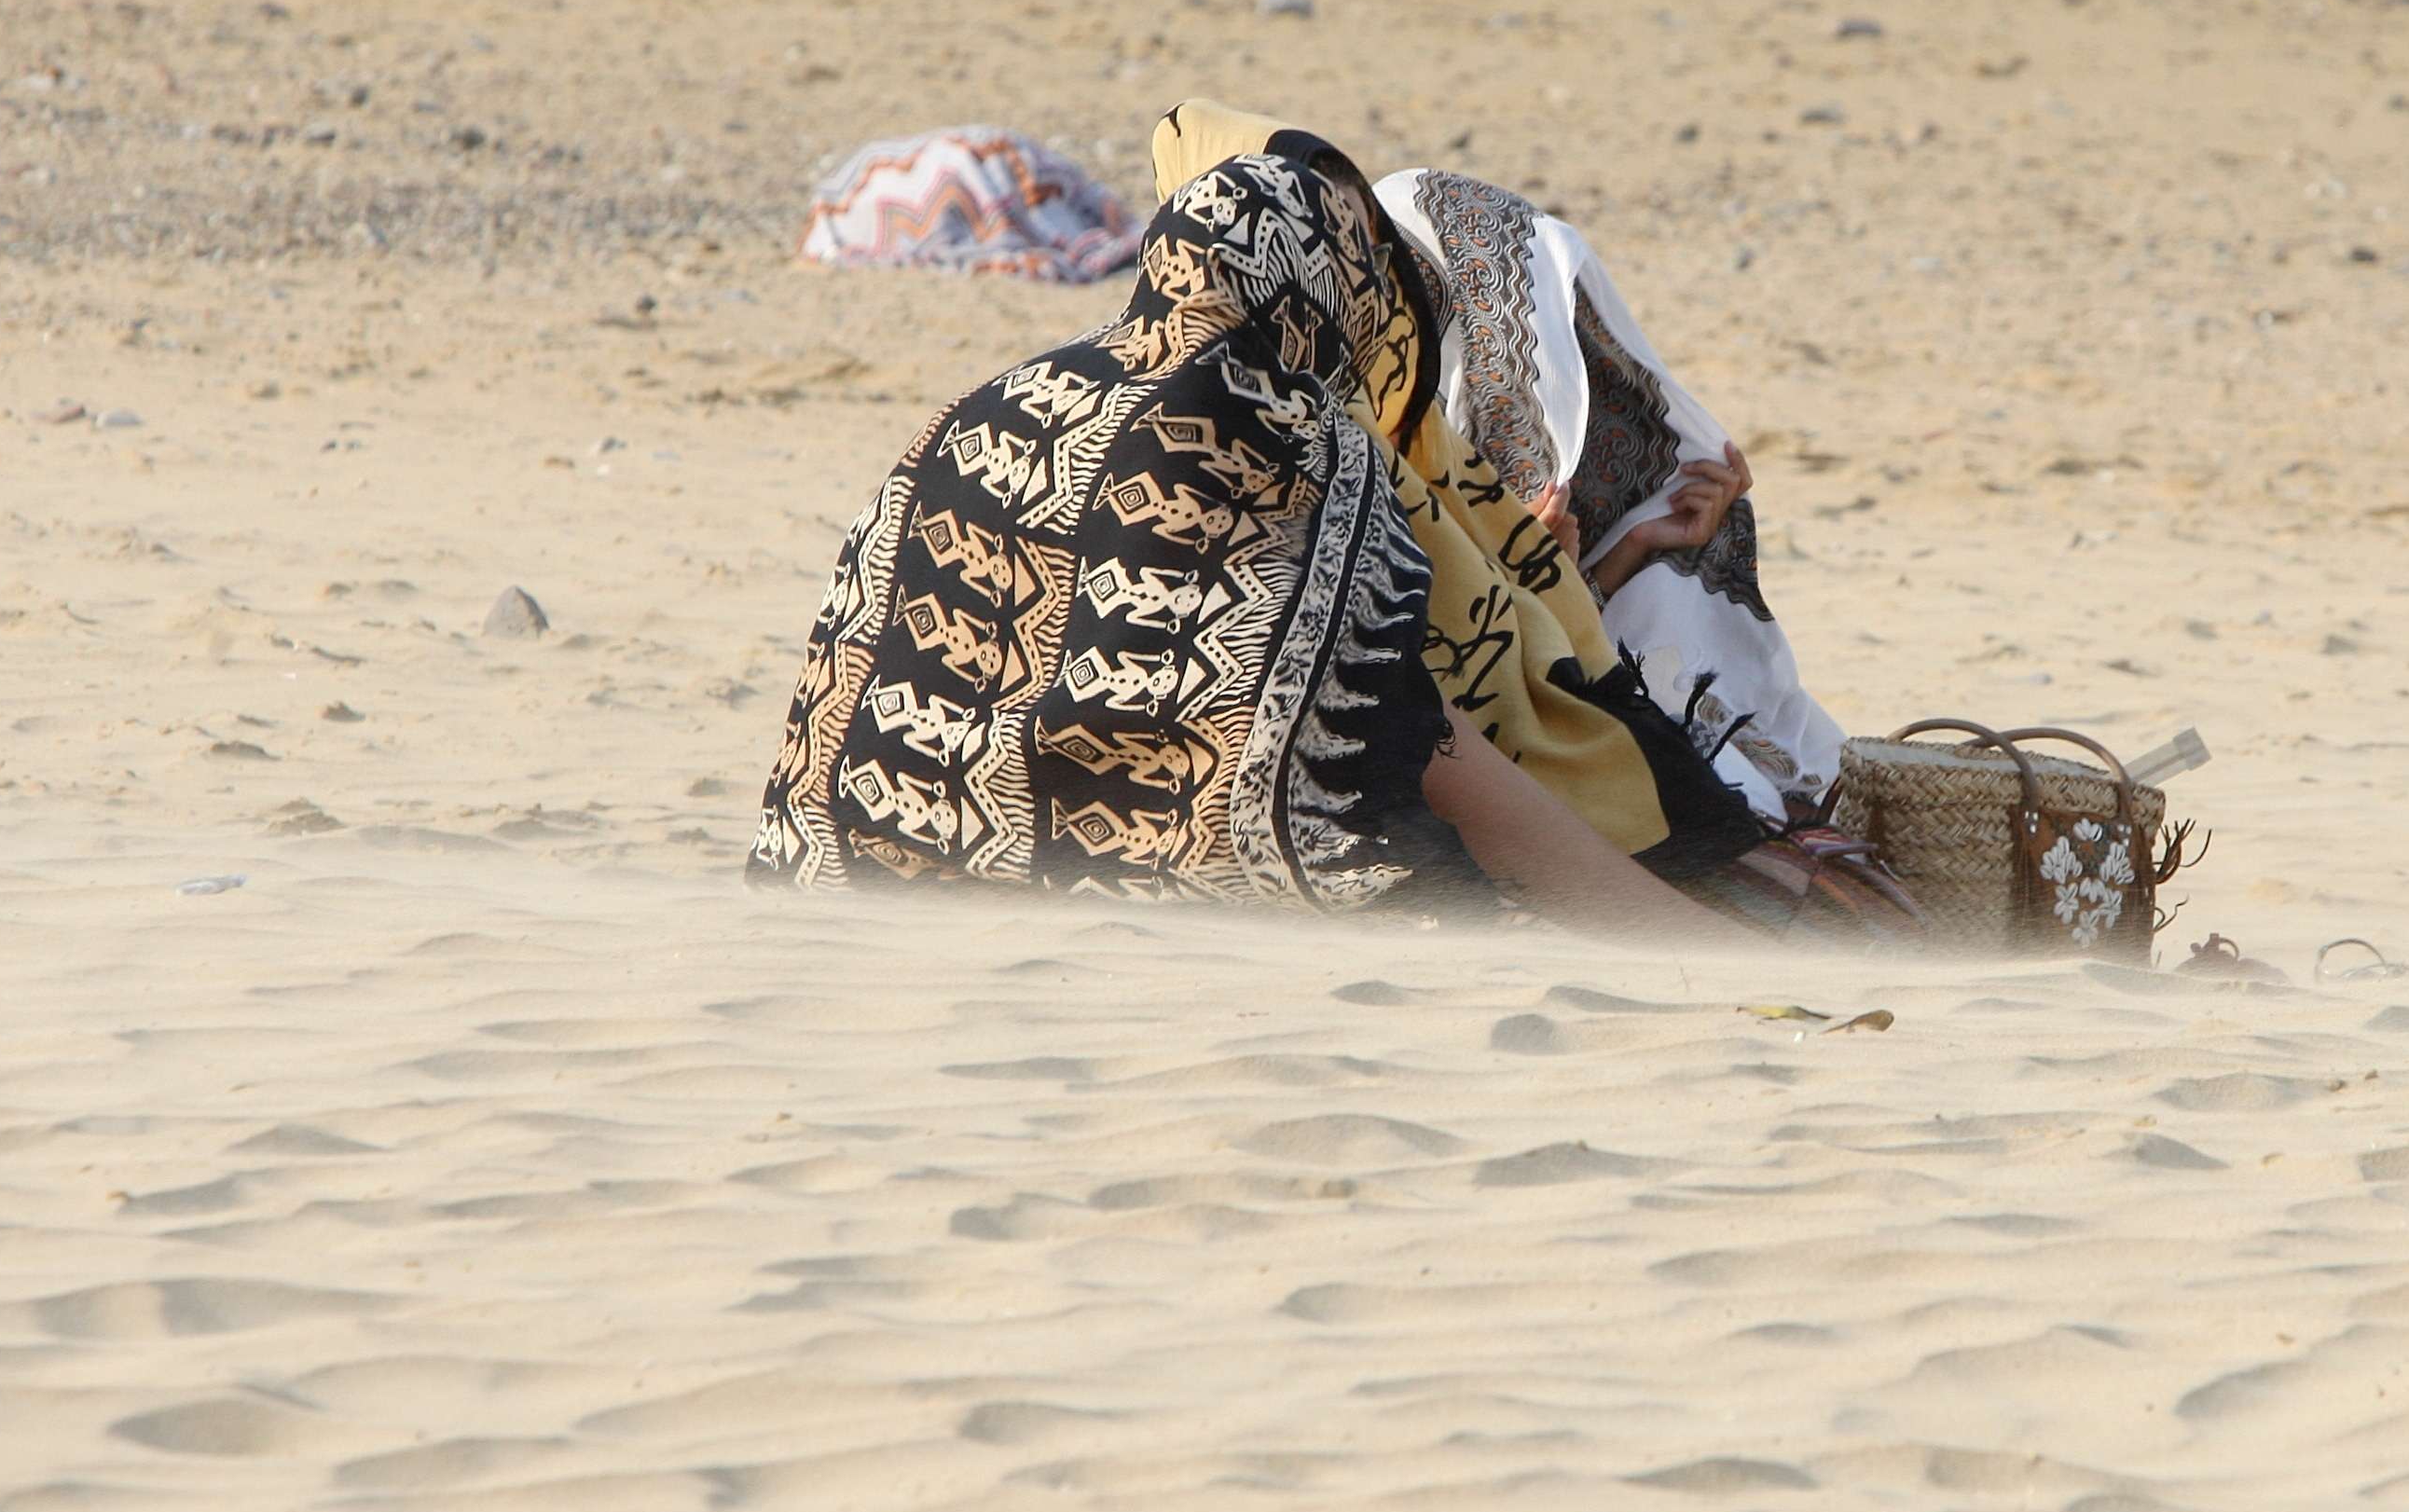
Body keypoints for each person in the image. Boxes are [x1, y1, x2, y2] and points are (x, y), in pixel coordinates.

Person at [748, 105, 1884, 941]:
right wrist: (1706, 955)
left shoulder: (996, 405)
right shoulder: (1290, 442)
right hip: (1160, 903)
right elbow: (1416, 736)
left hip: (853, 861)